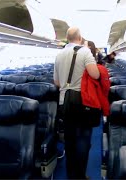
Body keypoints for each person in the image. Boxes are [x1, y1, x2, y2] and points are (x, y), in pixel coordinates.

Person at [53, 27, 100, 179]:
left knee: (69, 139)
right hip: (82, 101)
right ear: (79, 38)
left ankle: (70, 175)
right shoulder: (85, 52)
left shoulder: (59, 54)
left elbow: (57, 82)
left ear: (67, 38)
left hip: (64, 101)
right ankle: (80, 175)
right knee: (84, 139)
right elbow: (95, 74)